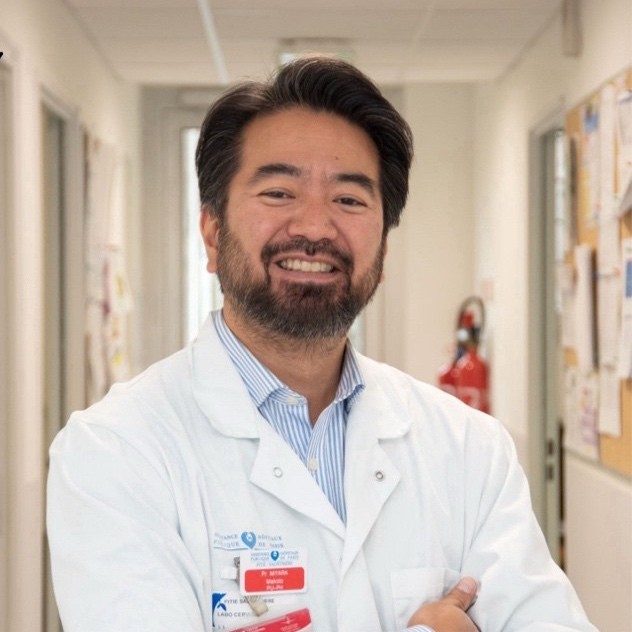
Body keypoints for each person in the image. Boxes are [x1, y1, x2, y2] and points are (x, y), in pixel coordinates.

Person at [47, 57, 597, 632]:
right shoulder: (114, 452)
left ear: (383, 247)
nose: (314, 227)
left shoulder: (469, 448)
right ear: (211, 233)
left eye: (350, 200)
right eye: (278, 192)